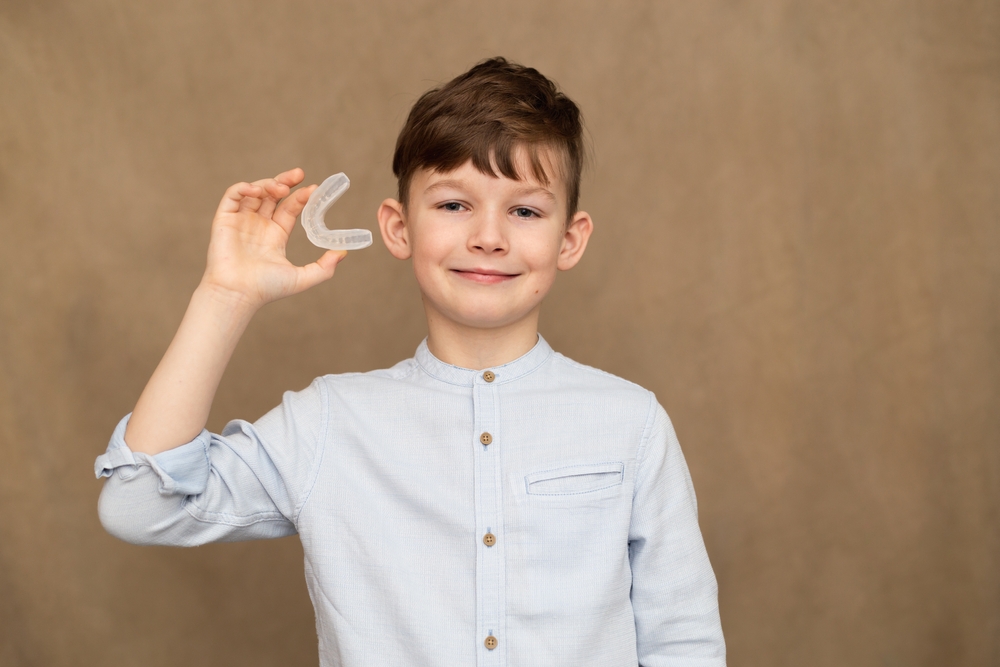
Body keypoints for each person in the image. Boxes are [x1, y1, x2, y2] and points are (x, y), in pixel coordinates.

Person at [95, 57, 726, 666]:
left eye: (526, 210)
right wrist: (225, 297)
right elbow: (141, 504)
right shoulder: (329, 422)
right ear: (399, 228)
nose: (488, 236)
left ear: (570, 239)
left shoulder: (631, 423)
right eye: (454, 204)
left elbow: (684, 643)